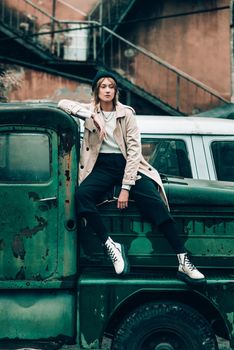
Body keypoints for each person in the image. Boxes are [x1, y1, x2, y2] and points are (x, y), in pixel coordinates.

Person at [58, 69, 206, 285]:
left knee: (156, 204)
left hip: (127, 165)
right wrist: (90, 116)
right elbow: (62, 103)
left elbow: (135, 152)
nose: (107, 90)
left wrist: (126, 187)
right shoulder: (88, 112)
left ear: (116, 91)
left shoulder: (126, 113)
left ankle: (183, 260)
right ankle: (111, 245)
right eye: (103, 86)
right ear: (96, 90)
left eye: (111, 87)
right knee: (82, 195)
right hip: (101, 168)